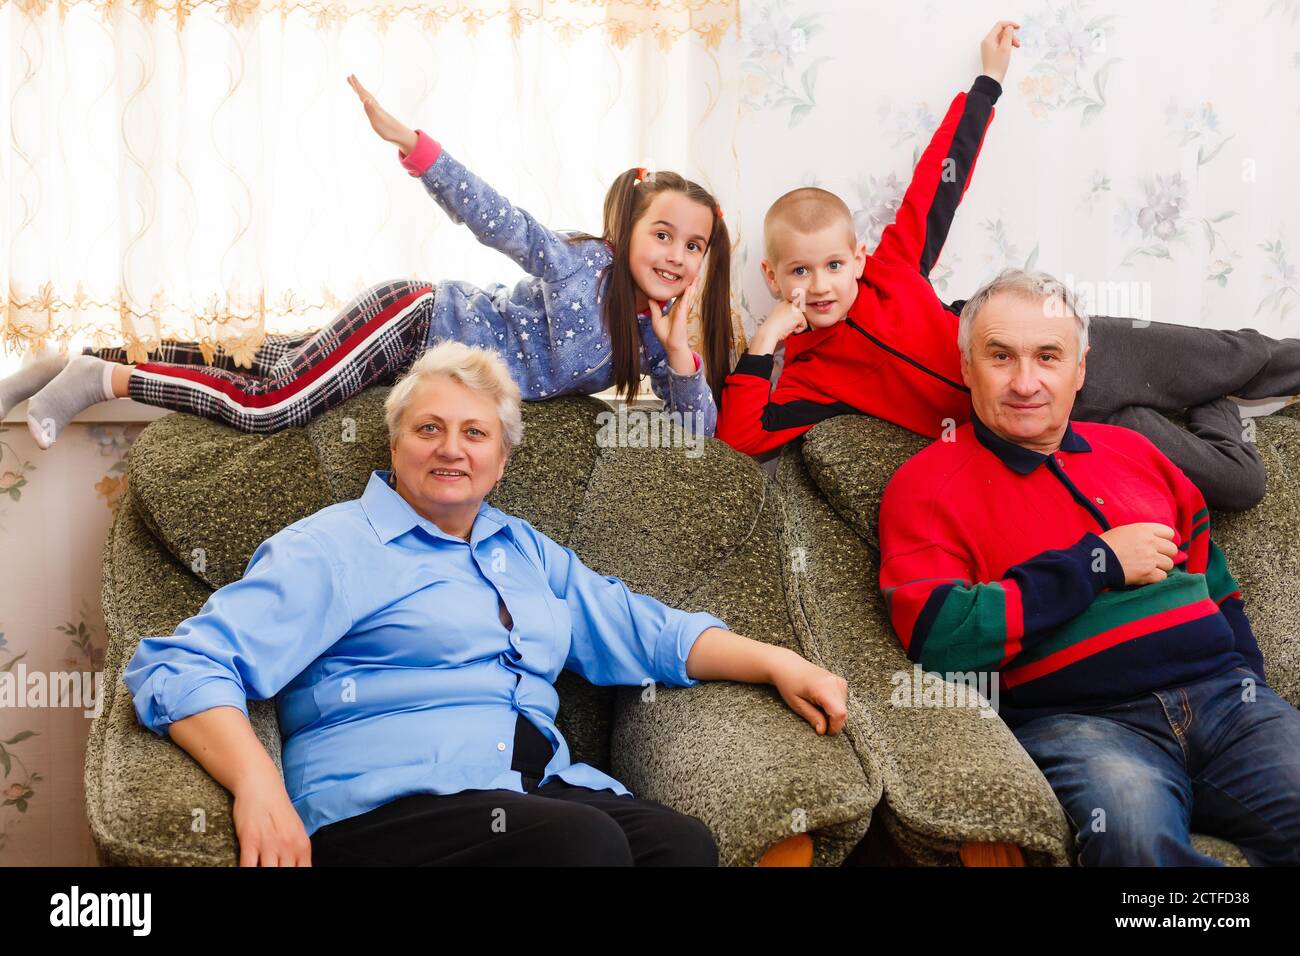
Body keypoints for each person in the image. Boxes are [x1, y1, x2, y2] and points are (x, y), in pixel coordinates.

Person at [123, 340, 848, 866]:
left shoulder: (523, 551)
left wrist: (778, 661)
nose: (451, 449)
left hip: (534, 794)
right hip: (384, 810)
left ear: (501, 460)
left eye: (475, 433)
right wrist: (257, 786)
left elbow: (641, 630)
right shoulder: (336, 546)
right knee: (582, 845)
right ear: (396, 443)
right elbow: (182, 663)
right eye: (428, 428)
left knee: (679, 847)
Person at [716, 20, 1297, 512]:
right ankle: (1196, 403)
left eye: (833, 265)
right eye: (798, 273)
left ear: (858, 258)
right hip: (1054, 426)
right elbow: (739, 440)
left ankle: (1206, 382)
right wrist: (765, 341)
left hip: (1070, 348)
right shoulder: (809, 377)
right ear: (773, 278)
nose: (820, 286)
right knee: (1241, 486)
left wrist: (987, 83)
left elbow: (938, 181)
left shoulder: (892, 269)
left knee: (1236, 356)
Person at [7, 74, 733, 446]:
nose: (675, 255)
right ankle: (103, 379)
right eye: (662, 234)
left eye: (693, 245)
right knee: (272, 406)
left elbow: (695, 437)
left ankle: (74, 358)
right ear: (628, 229)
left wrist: (679, 356)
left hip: (419, 353)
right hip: (417, 322)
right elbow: (499, 220)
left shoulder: (648, 340)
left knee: (263, 363)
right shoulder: (586, 266)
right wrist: (417, 148)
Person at [877, 269, 1300, 866]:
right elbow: (941, 636)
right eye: (1001, 357)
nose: (1026, 382)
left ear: (1079, 368)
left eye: (1048, 356)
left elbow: (1218, 586)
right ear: (967, 366)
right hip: (1084, 724)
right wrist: (1095, 563)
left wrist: (1250, 686)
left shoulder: (1134, 450)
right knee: (1133, 846)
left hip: (1228, 704)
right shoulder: (925, 485)